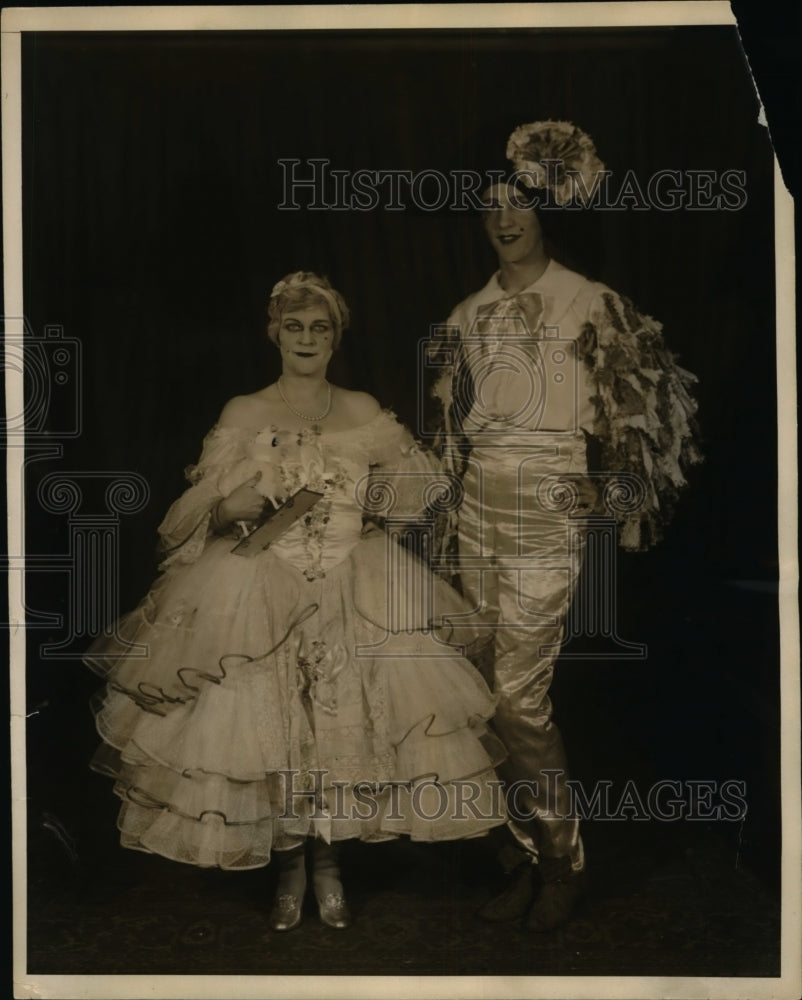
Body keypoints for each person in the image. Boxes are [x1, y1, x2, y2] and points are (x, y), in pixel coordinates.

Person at [86, 271, 507, 933]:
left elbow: (417, 491)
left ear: (337, 338)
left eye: (319, 328)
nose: (306, 338)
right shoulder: (244, 413)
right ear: (273, 333)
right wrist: (228, 508)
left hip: (351, 584)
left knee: (338, 728)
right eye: (293, 326)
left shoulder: (362, 410)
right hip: (256, 587)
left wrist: (370, 525)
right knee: (272, 729)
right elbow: (196, 516)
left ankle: (330, 864)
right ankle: (288, 867)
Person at [432, 120, 702, 931]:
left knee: (521, 697)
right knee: (481, 696)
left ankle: (562, 861)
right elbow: (449, 438)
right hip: (478, 508)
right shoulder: (466, 314)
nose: (503, 219)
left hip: (547, 511)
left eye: (515, 204)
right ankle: (521, 854)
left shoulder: (591, 302)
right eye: (488, 208)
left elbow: (656, 423)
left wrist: (607, 498)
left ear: (542, 210)